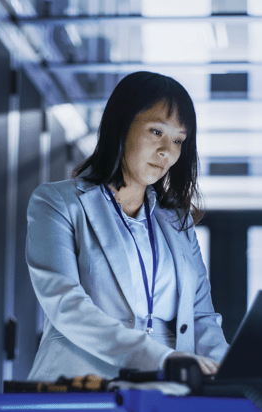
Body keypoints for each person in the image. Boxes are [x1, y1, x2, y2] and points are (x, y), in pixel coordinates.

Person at [25, 71, 229, 382]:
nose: (167, 151)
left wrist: (232, 369)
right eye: (156, 131)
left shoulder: (178, 222)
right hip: (84, 384)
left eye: (177, 140)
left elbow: (201, 317)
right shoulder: (57, 203)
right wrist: (161, 358)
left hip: (169, 390)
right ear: (122, 127)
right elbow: (66, 305)